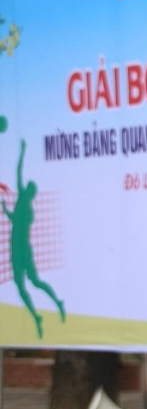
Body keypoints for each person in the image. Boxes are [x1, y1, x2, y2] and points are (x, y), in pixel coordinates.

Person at [2, 138, 66, 338]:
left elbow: (17, 221)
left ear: (31, 193)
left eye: (29, 187)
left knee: (35, 282)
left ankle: (57, 302)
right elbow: (18, 172)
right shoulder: (22, 198)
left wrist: (7, 211)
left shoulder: (28, 210)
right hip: (15, 247)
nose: (26, 185)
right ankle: (37, 317)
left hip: (22, 249)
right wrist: (22, 151)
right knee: (21, 288)